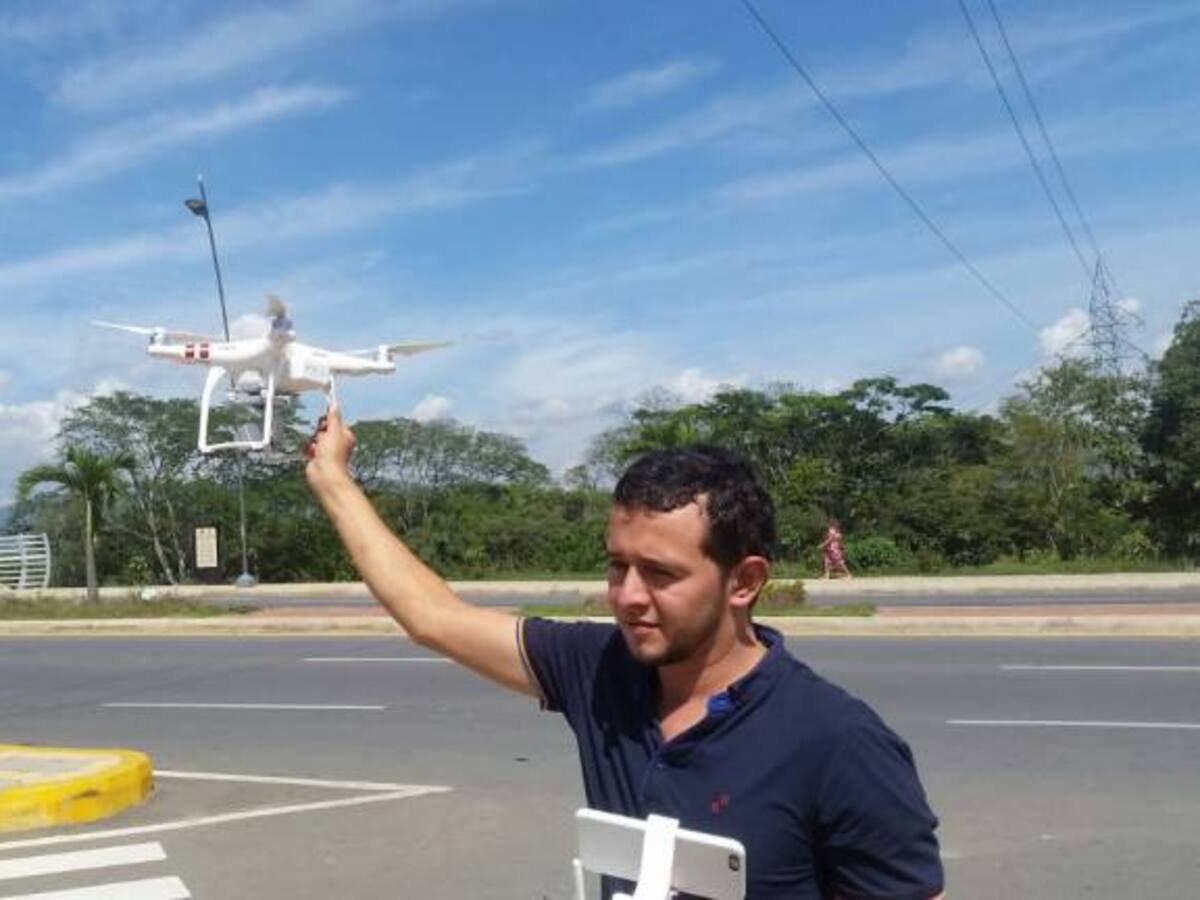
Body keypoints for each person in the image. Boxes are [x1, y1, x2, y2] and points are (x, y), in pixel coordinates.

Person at [305, 407, 943, 900]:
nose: (627, 597)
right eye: (617, 567)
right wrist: (333, 479)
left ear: (744, 581)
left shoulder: (837, 740)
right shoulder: (604, 669)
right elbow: (434, 618)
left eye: (661, 574)